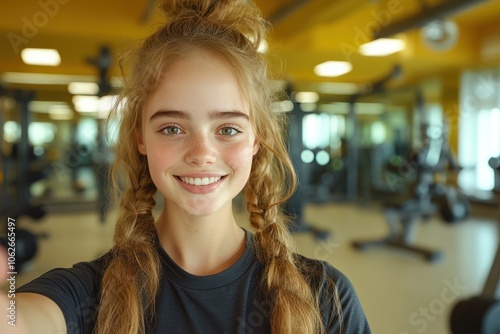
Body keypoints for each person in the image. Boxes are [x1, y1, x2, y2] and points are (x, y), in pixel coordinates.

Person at [4, 0, 371, 333]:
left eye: (228, 129)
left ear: (256, 139)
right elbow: (19, 322)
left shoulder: (326, 297)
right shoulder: (90, 294)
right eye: (172, 128)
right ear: (140, 138)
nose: (202, 153)